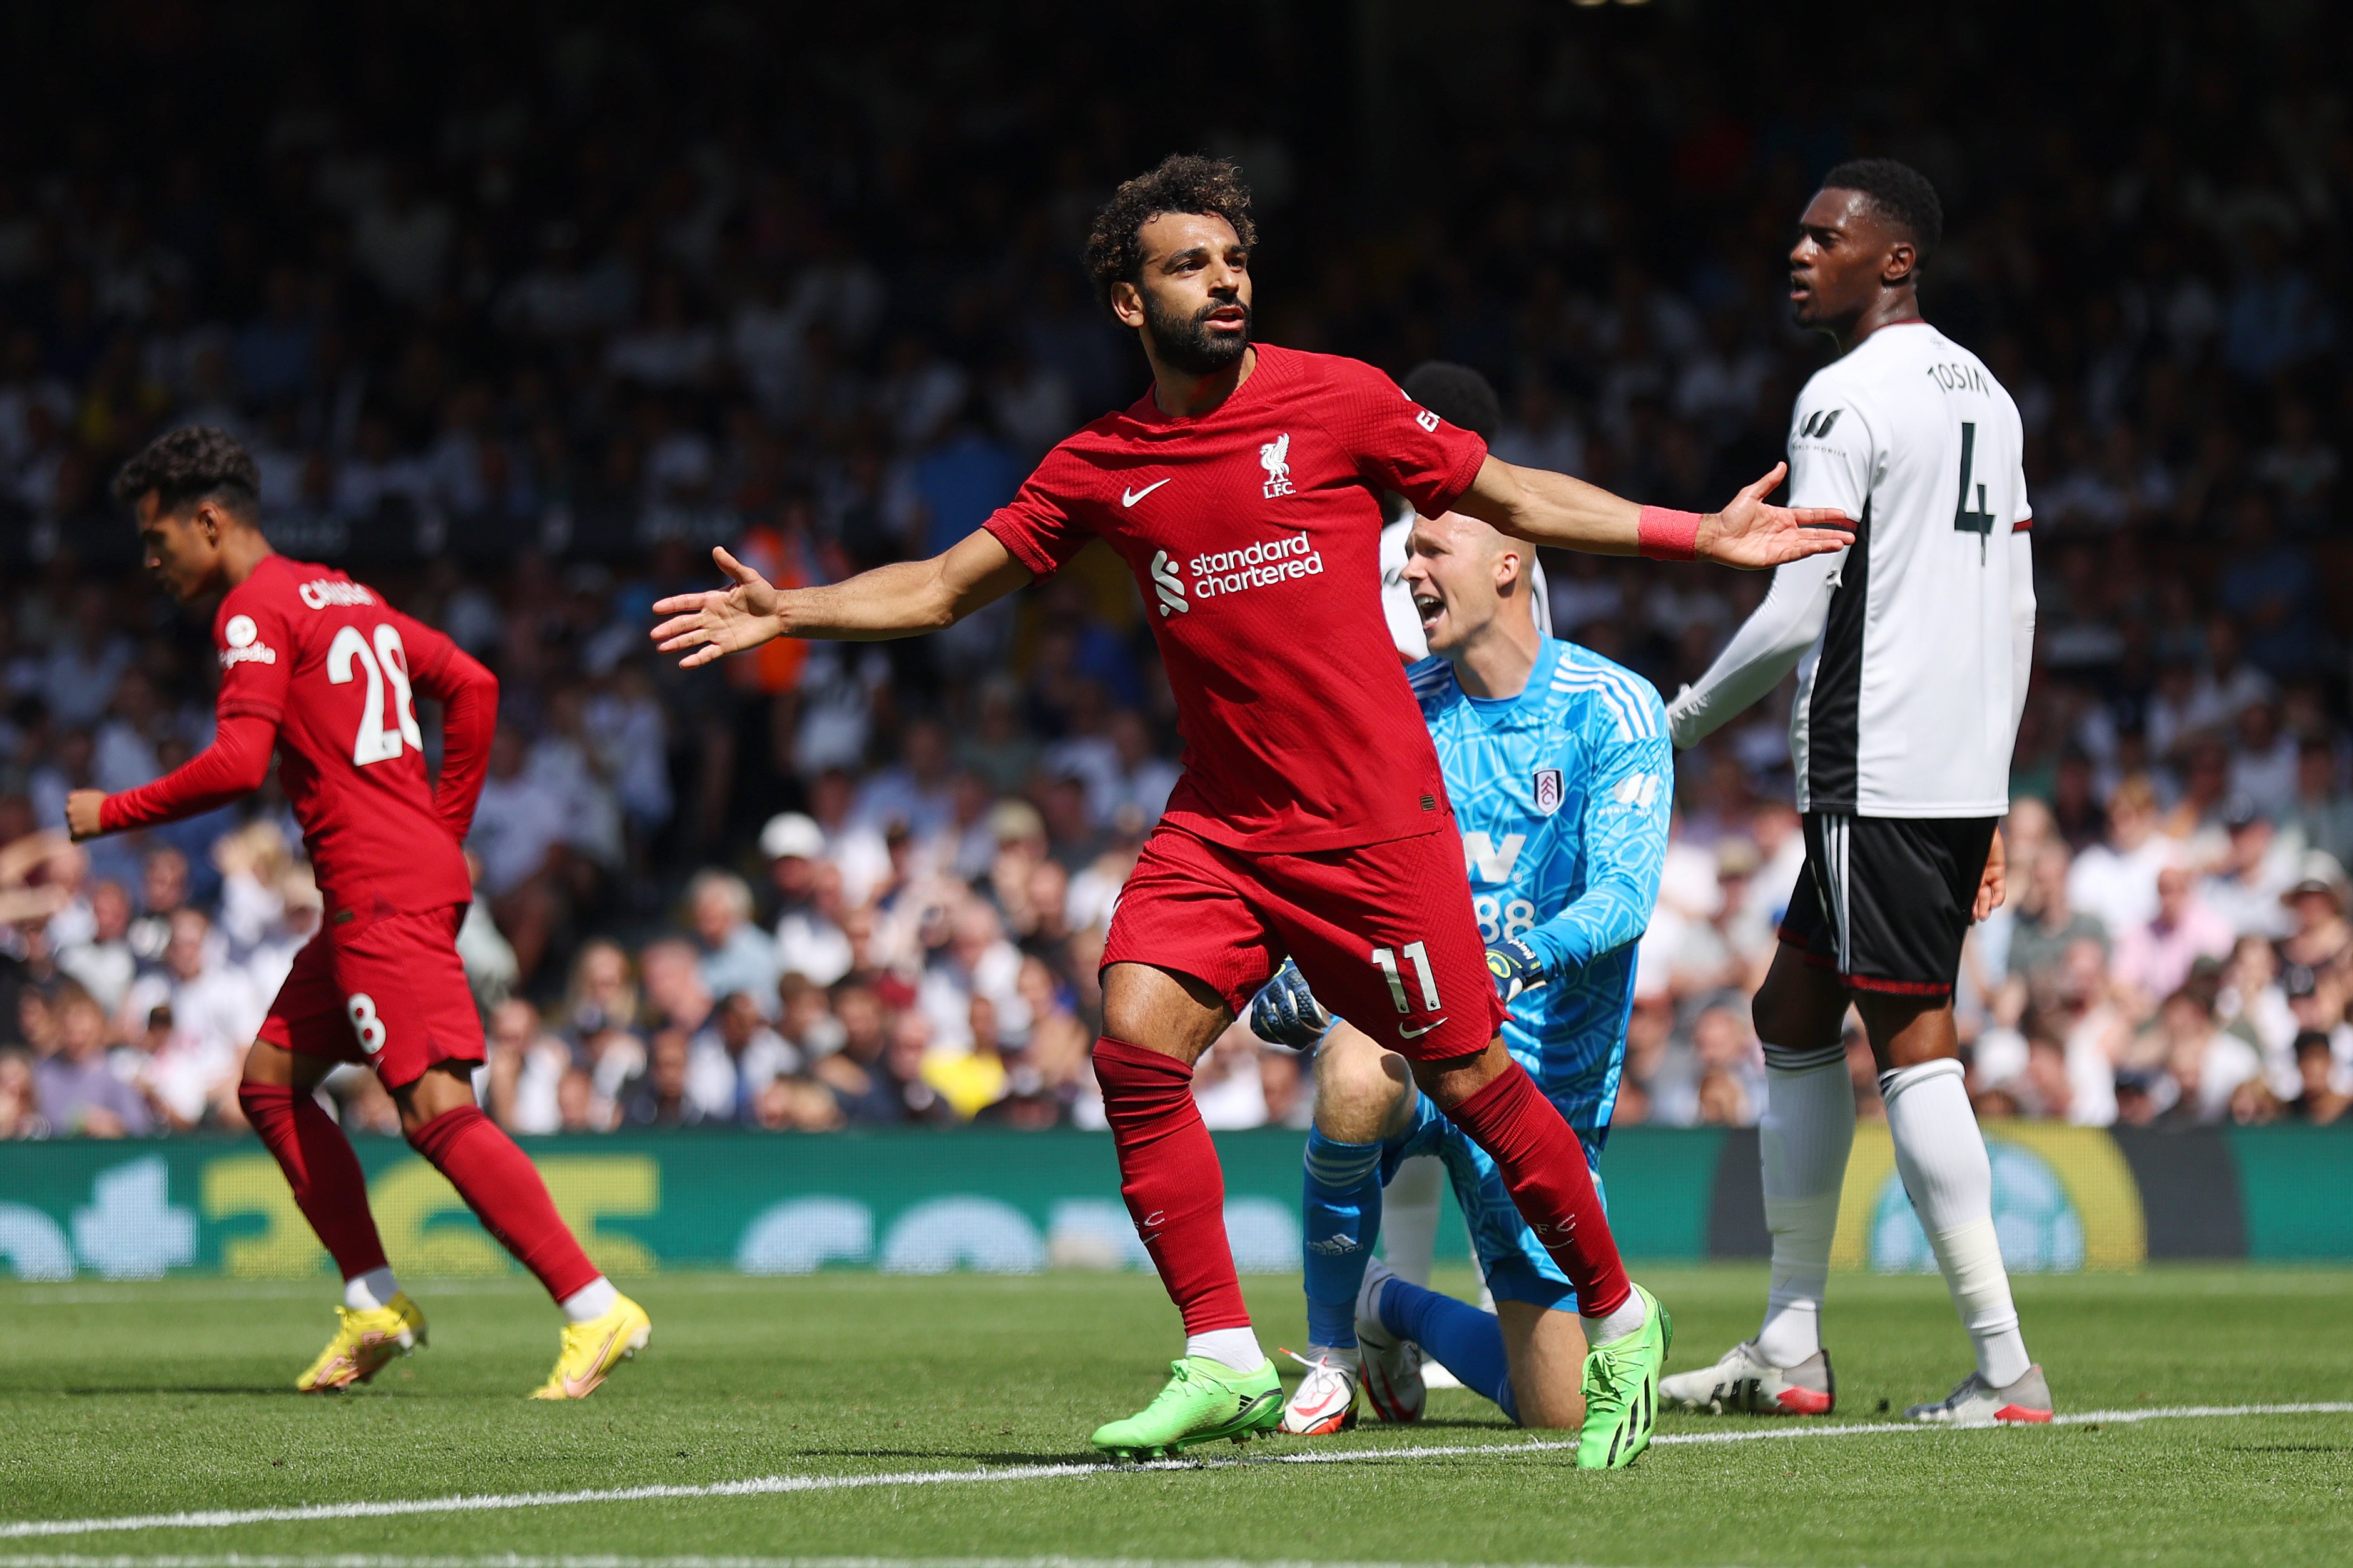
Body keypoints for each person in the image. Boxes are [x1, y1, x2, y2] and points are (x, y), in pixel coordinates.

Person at [650, 154, 1847, 1467]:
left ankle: (1621, 1313)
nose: (1225, 282)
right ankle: (1222, 1350)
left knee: (1468, 1075)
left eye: (1234, 260)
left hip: (1371, 822)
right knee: (1133, 1038)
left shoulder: (1337, 399)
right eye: (1189, 265)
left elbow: (1506, 493)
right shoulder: (1104, 465)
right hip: (1224, 823)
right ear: (1127, 302)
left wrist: (1697, 536)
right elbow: (943, 586)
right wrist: (791, 608)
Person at [66, 427, 649, 1399]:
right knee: (270, 1083)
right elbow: (473, 683)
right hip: (382, 885)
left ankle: (594, 1307)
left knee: (435, 1113)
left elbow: (239, 764)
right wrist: (439, 826)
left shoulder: (254, 610)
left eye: (157, 536)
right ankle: (374, 1300)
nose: (150, 559)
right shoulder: (344, 594)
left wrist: (111, 814)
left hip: (381, 889)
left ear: (210, 520)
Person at [1658, 161, 2053, 1425]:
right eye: (1797, 235)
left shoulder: (1843, 396)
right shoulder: (1989, 391)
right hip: (1944, 764)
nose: (1799, 252)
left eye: (1827, 238)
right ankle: (1789, 1345)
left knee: (1913, 1044)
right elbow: (2020, 603)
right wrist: (1991, 792)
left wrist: (1670, 723)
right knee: (1790, 1008)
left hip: (1871, 761)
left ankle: (2004, 1367)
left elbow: (1791, 610)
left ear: (1897, 260)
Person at [1250, 459, 1670, 1439]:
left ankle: (1386, 1304)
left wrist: (1509, 963)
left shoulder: (1611, 707)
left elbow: (1622, 897)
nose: (1410, 573)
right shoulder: (1397, 716)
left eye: (1432, 549)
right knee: (1354, 1074)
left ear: (1509, 566)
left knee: (1556, 1411)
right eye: (1405, 558)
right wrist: (1296, 972)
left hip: (1537, 1084)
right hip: (1414, 1039)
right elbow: (1338, 885)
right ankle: (1330, 1358)